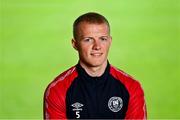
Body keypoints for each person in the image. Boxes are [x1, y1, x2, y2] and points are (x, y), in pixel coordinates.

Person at [43, 12, 147, 119]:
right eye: (88, 39)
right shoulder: (58, 90)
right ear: (75, 44)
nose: (97, 46)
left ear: (110, 41)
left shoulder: (131, 87)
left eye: (103, 39)